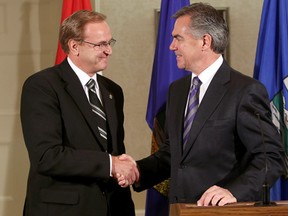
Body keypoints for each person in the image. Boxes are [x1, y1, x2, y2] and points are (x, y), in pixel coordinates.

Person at [119, 2, 285, 207]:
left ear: (205, 41)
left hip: (224, 211)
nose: (171, 46)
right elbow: (173, 154)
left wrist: (234, 191)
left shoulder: (245, 90)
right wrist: (137, 170)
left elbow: (271, 157)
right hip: (181, 209)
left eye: (178, 38)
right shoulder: (177, 91)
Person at [20, 10, 138, 216]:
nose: (108, 50)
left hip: (113, 208)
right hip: (63, 210)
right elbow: (47, 156)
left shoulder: (113, 90)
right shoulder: (42, 86)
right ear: (74, 46)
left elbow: (113, 149)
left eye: (110, 42)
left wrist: (121, 169)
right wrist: (111, 164)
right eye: (100, 44)